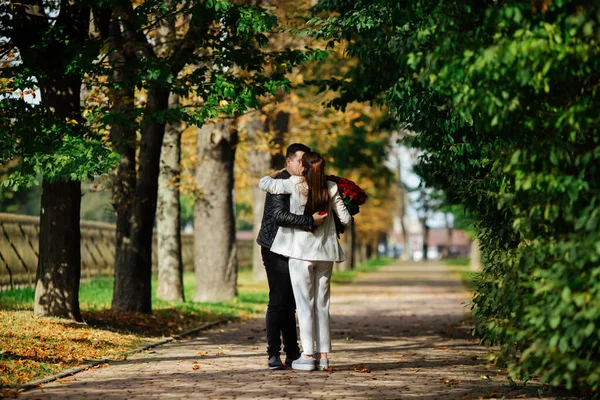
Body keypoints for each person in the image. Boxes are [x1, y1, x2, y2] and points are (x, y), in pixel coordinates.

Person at [259, 151, 352, 371]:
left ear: (306, 168)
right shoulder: (331, 187)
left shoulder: (293, 184)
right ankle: (324, 357)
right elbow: (347, 219)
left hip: (301, 253)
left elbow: (266, 184)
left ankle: (308, 356)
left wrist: (276, 173)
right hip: (326, 254)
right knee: (322, 305)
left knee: (304, 305)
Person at [256, 143, 327, 370]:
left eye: (307, 162)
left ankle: (293, 351)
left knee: (293, 303)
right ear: (289, 162)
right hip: (275, 247)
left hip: (297, 248)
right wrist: (310, 221)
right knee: (279, 301)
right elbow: (279, 215)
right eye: (301, 161)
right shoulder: (280, 182)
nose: (305, 166)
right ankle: (273, 353)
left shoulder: (306, 182)